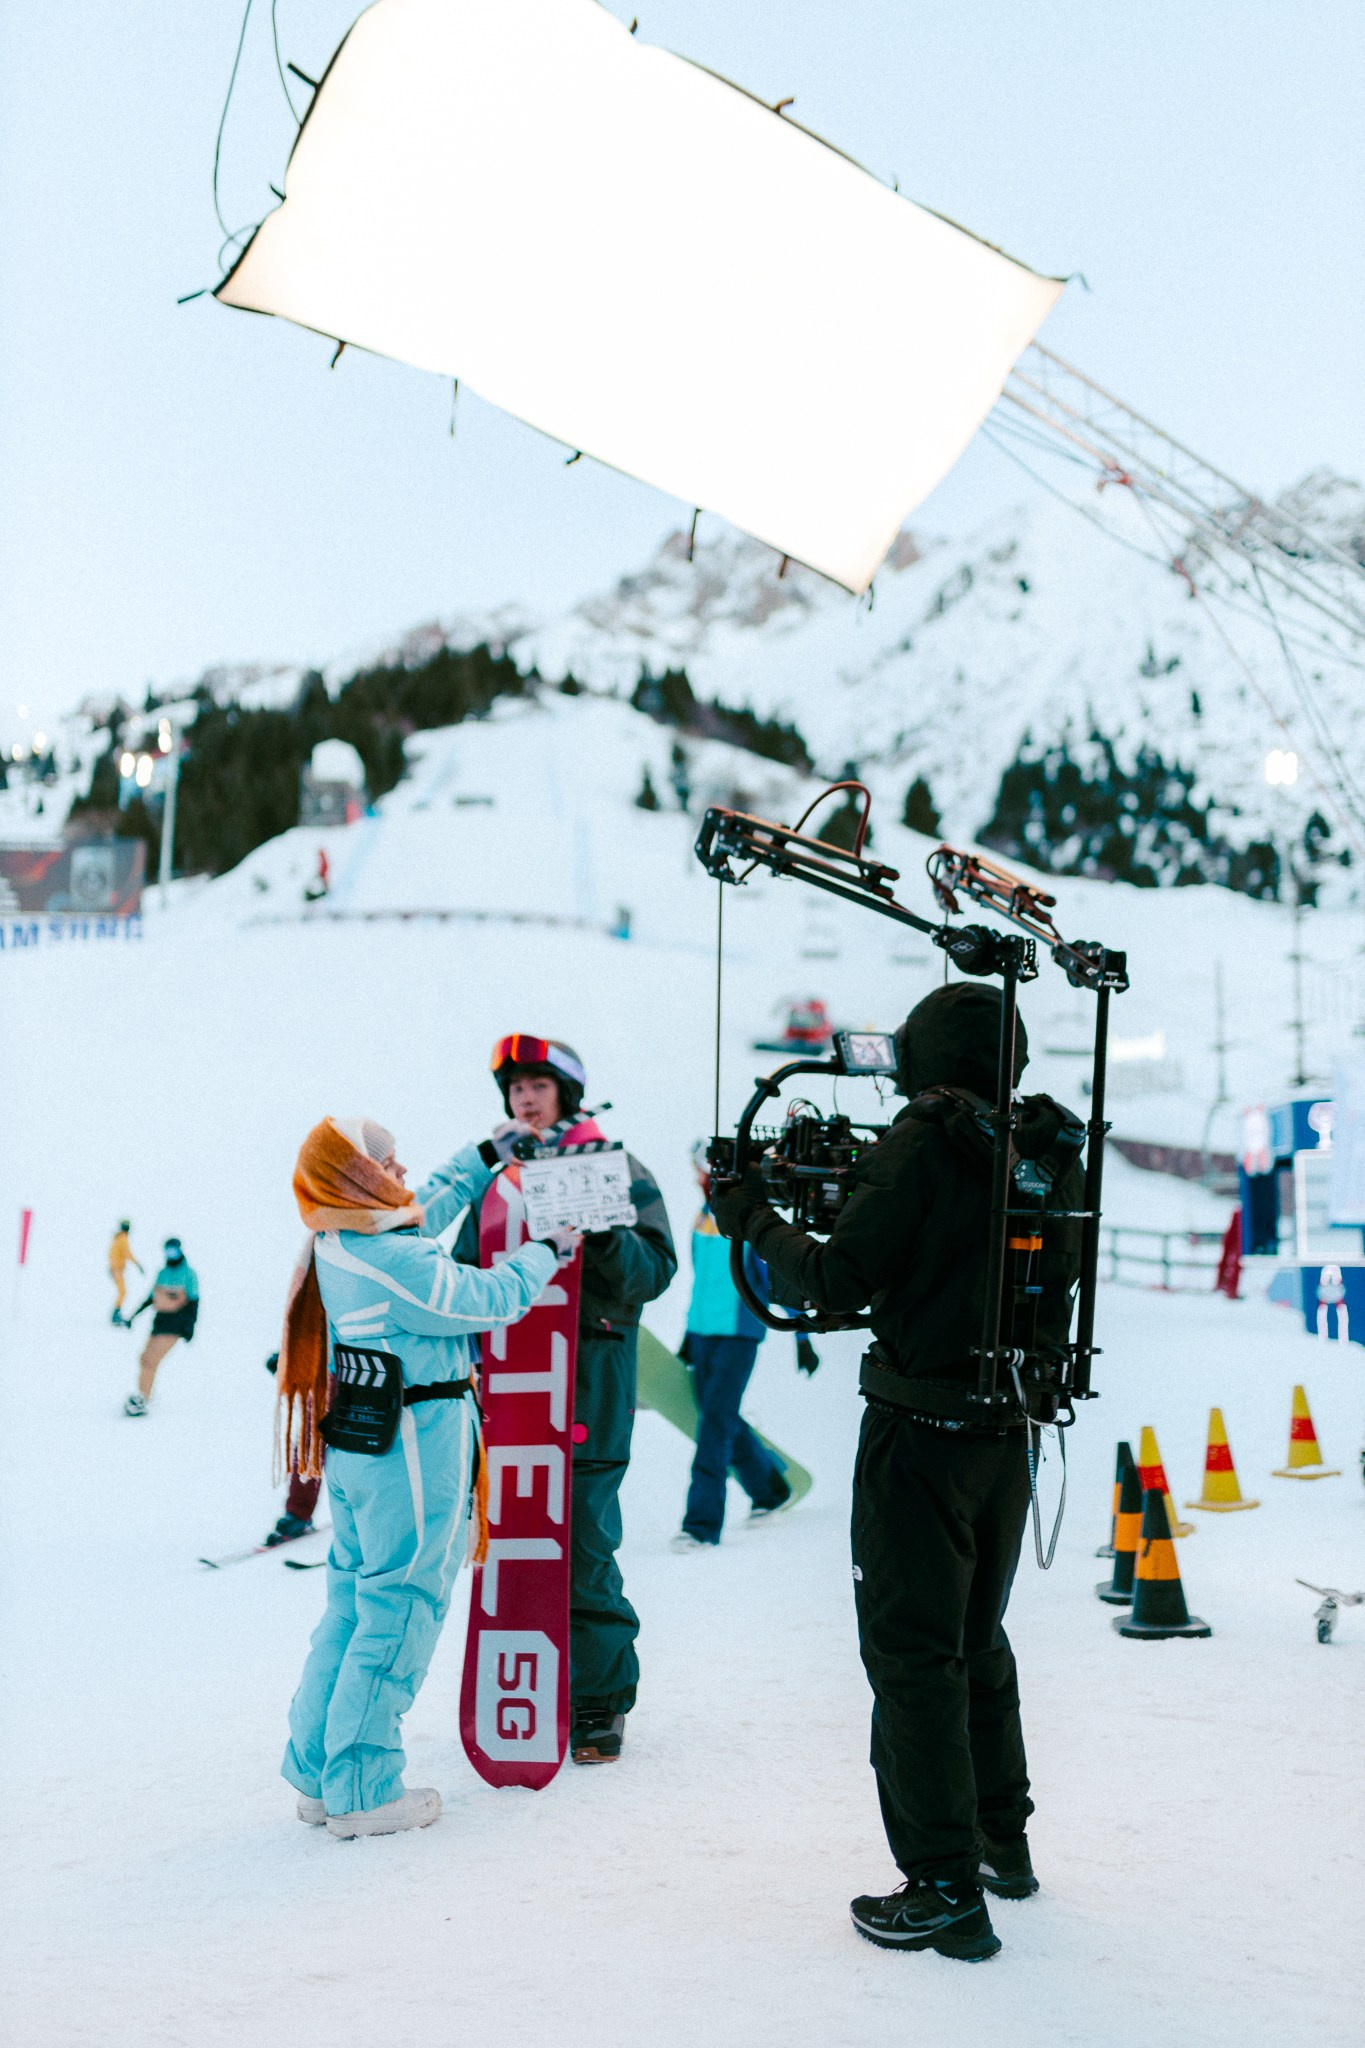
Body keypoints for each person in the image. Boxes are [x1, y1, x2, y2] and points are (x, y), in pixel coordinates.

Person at [713, 984, 1084, 1963]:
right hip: (1006, 1435)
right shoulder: (1035, 1149)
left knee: (915, 1657)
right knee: (976, 1639)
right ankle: (1003, 1841)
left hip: (919, 1433)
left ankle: (943, 1887)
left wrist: (750, 1214)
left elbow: (837, 1282)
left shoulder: (925, 1140)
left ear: (926, 1053)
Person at [277, 1114, 579, 1839]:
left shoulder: (338, 1237)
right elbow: (486, 1299)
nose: (401, 1171)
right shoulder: (391, 1261)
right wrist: (547, 1252)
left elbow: (422, 1213)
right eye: (386, 1161)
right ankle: (364, 1786)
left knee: (352, 1606)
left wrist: (483, 1157)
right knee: (402, 1606)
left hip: (364, 1441)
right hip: (412, 1443)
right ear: (359, 1175)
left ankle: (321, 1772)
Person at [453, 1036, 676, 1764]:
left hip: (585, 1386)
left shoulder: (612, 1167)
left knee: (580, 1543)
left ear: (567, 1094)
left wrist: (603, 1231)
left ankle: (599, 1701)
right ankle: (529, 1683)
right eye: (515, 1086)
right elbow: (456, 1276)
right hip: (508, 1395)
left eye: (539, 1085)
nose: (524, 1097)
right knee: (513, 1544)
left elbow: (652, 1272)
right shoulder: (497, 1179)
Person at [671, 1142, 792, 1550]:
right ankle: (769, 1489)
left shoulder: (746, 1220)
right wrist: (688, 1338)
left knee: (715, 1424)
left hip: (740, 1332)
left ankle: (700, 1525)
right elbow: (701, 1282)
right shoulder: (702, 1219)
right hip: (704, 1332)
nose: (700, 1178)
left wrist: (805, 1334)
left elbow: (779, 1275)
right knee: (719, 1416)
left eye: (704, 1171)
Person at [122, 1237, 199, 1416]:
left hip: (175, 1325)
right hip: (160, 1323)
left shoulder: (188, 1274)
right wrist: (133, 1316)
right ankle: (147, 1393)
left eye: (174, 1250)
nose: (170, 1253)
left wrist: (189, 1327)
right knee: (144, 1358)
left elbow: (194, 1303)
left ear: (180, 1250)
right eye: (168, 1250)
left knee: (151, 1360)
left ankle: (143, 1397)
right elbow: (151, 1298)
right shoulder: (162, 1273)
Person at [108, 1220, 143, 1326]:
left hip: (116, 1268)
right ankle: (115, 1313)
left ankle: (116, 1313)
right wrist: (138, 1264)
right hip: (117, 1269)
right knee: (123, 1291)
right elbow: (127, 1254)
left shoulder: (118, 1238)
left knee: (122, 1291)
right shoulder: (122, 1239)